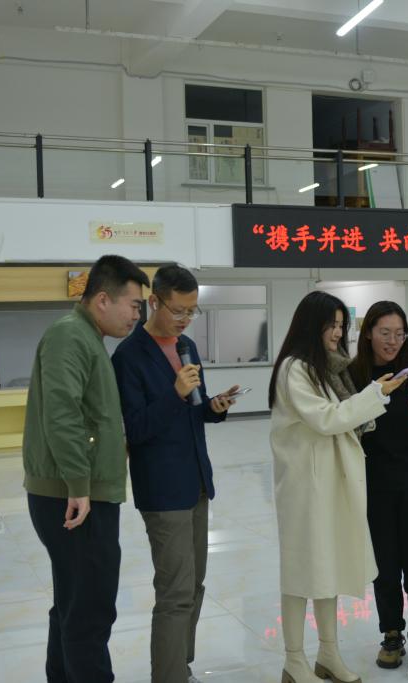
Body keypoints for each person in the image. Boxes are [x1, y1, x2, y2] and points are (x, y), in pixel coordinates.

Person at [22, 254, 149, 683]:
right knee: (90, 609)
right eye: (133, 305)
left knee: (74, 604)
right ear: (102, 300)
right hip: (75, 496)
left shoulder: (88, 337)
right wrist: (79, 485)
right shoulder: (70, 336)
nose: (137, 315)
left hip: (83, 492)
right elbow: (63, 415)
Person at [269, 291, 407, 683]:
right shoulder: (295, 369)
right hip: (305, 487)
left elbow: (344, 416)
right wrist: (375, 394)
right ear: (311, 325)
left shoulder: (329, 367)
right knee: (300, 571)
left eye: (341, 325)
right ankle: (294, 660)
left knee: (325, 566)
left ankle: (328, 652)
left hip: (328, 483)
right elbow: (328, 418)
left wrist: (371, 397)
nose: (337, 332)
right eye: (331, 325)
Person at [111, 264, 238, 683]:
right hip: (163, 490)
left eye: (192, 311)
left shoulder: (186, 347)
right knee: (175, 591)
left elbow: (195, 409)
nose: (185, 319)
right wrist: (175, 393)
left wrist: (214, 407)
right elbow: (135, 429)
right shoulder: (129, 356)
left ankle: (180, 666)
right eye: (178, 310)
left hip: (196, 482)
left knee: (195, 584)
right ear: (154, 302)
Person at [349, 301, 408, 681]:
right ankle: (390, 634)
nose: (392, 340)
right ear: (368, 332)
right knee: (384, 567)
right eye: (385, 332)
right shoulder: (353, 375)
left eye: (400, 333)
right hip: (374, 485)